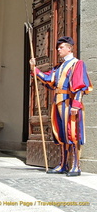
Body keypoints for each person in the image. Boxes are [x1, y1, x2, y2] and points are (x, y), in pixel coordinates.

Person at [30, 36, 93, 176]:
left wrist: (76, 105)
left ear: (69, 48)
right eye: (58, 47)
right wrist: (34, 69)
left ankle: (76, 166)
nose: (58, 49)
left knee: (73, 133)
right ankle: (63, 164)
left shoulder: (78, 64)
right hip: (58, 103)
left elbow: (80, 86)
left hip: (70, 103)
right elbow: (48, 79)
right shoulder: (59, 67)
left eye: (61, 47)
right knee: (61, 134)